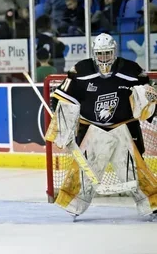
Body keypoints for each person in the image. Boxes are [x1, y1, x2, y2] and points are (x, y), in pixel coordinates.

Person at [47, 33, 157, 217]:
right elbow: (62, 98)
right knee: (84, 170)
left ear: (114, 52)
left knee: (135, 170)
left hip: (125, 127)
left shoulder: (131, 70)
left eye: (107, 53)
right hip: (92, 128)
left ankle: (152, 204)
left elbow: (149, 93)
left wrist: (149, 103)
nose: (104, 57)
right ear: (94, 53)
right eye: (100, 54)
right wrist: (62, 120)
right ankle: (73, 205)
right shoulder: (80, 70)